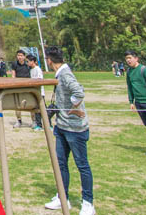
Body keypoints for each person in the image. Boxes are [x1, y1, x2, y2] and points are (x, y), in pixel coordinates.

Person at [43, 46, 94, 215]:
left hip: (75, 129)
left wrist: (72, 108)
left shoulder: (65, 74)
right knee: (61, 164)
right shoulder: (61, 73)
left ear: (49, 60)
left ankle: (88, 203)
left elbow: (79, 92)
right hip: (62, 127)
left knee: (82, 165)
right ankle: (62, 197)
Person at [8, 49, 32, 128]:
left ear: (24, 57)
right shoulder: (14, 64)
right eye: (18, 55)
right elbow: (13, 75)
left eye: (21, 55)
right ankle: (19, 121)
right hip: (18, 86)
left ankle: (34, 121)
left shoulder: (28, 64)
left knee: (30, 104)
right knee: (17, 105)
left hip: (27, 86)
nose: (20, 57)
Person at [28, 54, 45, 130]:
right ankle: (39, 125)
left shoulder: (38, 69)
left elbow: (40, 80)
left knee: (43, 109)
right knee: (37, 109)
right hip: (34, 93)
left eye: (28, 61)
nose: (27, 63)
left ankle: (49, 124)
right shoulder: (31, 70)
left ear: (32, 61)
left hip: (40, 93)